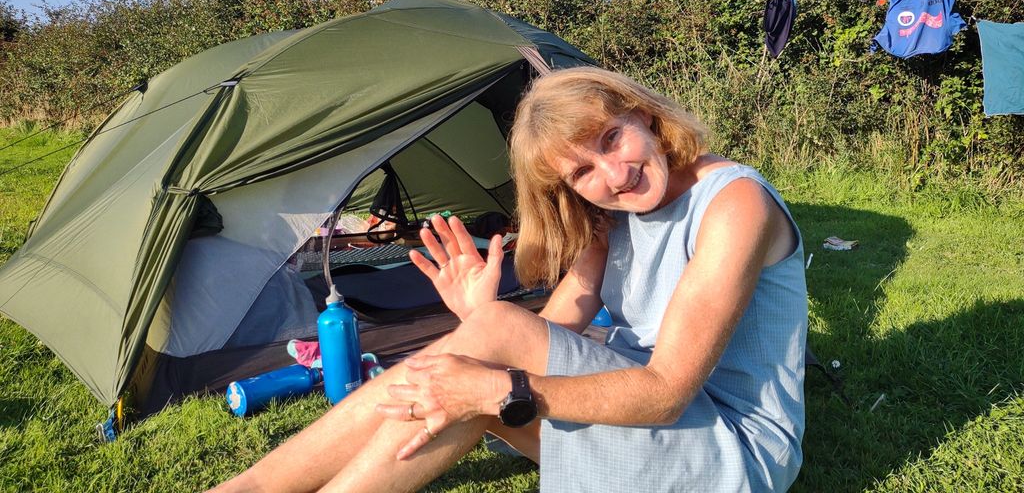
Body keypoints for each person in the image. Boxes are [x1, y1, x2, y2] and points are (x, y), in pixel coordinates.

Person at [209, 66, 808, 492]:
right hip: (656, 422)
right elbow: (547, 335)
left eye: (611, 137)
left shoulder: (734, 205)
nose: (616, 172)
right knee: (476, 360)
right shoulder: (614, 216)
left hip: (732, 454)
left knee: (479, 379)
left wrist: (494, 386)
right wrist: (479, 322)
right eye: (583, 171)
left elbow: (667, 390)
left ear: (645, 117)